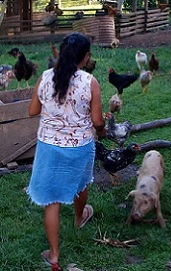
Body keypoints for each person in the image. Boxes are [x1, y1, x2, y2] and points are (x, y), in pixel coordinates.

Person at [27, 32, 106, 271]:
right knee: (81, 184)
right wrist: (102, 125)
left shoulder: (44, 77)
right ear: (86, 57)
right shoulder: (89, 82)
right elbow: (97, 121)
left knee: (52, 202)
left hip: (49, 147)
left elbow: (32, 111)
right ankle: (80, 218)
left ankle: (53, 255)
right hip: (79, 147)